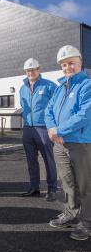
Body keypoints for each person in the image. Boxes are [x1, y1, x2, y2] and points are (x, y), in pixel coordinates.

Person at [45, 45, 91, 241]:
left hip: (80, 144)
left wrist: (60, 130)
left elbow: (85, 114)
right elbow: (48, 111)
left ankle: (87, 222)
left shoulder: (86, 85)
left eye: (71, 62)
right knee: (68, 184)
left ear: (80, 61)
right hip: (59, 145)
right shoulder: (60, 88)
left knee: (85, 185)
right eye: (64, 64)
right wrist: (52, 129)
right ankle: (72, 214)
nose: (67, 67)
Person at [19, 58, 57, 201]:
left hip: (43, 128)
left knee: (48, 159)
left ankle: (52, 189)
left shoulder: (49, 86)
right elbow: (23, 107)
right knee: (31, 160)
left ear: (39, 69)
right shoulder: (22, 88)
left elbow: (56, 107)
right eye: (28, 70)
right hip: (28, 128)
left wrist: (53, 126)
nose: (30, 72)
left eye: (33, 69)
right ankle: (34, 187)